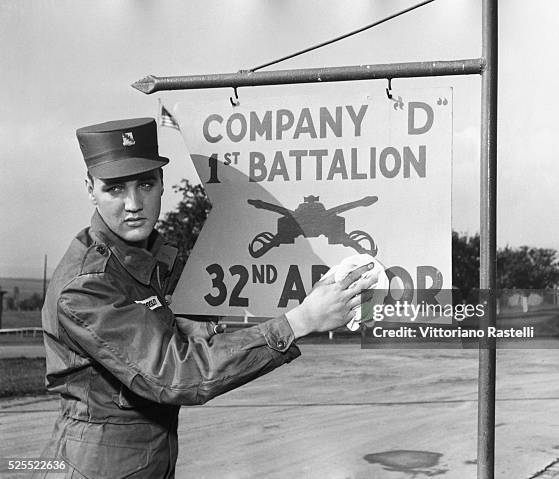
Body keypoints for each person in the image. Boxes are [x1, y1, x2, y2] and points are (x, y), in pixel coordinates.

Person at [35, 117, 376, 478]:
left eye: (145, 184)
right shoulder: (87, 286)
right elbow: (176, 376)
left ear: (161, 184)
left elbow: (163, 331)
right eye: (115, 189)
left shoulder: (148, 259)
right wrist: (302, 321)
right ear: (90, 188)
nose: (134, 203)